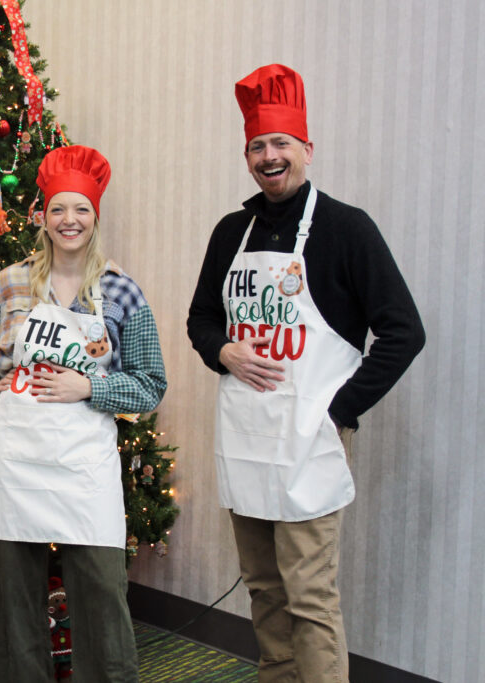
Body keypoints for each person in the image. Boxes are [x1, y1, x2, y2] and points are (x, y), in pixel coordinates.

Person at [187, 64, 425, 682]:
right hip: (245, 435)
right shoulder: (230, 232)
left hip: (310, 439)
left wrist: (340, 412)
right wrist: (224, 352)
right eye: (258, 146)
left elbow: (404, 331)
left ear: (306, 150)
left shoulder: (348, 230)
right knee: (264, 590)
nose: (270, 157)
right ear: (247, 156)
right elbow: (201, 319)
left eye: (281, 144)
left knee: (310, 597)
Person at [0, 145, 167, 682]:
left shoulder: (120, 292)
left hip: (82, 465)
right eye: (59, 210)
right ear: (42, 218)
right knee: (18, 596)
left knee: (100, 591)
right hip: (18, 459)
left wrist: (89, 387)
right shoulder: (11, 282)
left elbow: (150, 384)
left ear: (96, 218)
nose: (70, 220)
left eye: (81, 210)